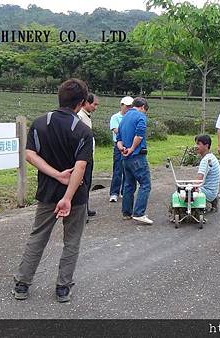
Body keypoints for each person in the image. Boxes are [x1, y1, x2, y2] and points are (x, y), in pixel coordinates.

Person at [13, 78, 93, 303]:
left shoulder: (39, 123)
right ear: (80, 103)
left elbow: (30, 155)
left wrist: (55, 175)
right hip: (75, 196)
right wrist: (67, 196)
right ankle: (62, 288)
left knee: (38, 236)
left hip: (47, 192)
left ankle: (22, 284)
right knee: (72, 240)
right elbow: (80, 166)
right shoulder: (83, 131)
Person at [116, 97, 153, 225]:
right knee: (145, 184)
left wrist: (122, 149)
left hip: (125, 157)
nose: (145, 113)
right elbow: (139, 135)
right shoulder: (140, 117)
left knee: (129, 185)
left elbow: (118, 138)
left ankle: (126, 213)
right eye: (145, 110)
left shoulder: (124, 117)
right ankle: (139, 213)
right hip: (137, 156)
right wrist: (132, 149)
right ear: (142, 107)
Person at [78, 93, 99, 218]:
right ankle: (82, 212)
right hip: (84, 156)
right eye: (94, 104)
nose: (95, 107)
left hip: (89, 155)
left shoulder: (86, 116)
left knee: (87, 183)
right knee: (84, 183)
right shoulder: (80, 117)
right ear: (86, 103)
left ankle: (85, 209)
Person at [109, 96, 133, 202]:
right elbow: (116, 130)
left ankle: (124, 191)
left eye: (130, 106)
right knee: (118, 169)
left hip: (129, 145)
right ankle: (114, 193)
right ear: (122, 105)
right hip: (118, 146)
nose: (128, 108)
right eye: (127, 106)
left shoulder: (131, 117)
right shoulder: (115, 117)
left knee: (127, 170)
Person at [193, 134, 220, 211]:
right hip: (213, 190)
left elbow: (198, 181)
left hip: (208, 192)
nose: (196, 146)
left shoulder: (206, 160)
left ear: (206, 145)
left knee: (185, 192)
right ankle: (213, 201)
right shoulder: (211, 157)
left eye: (198, 144)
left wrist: (188, 188)